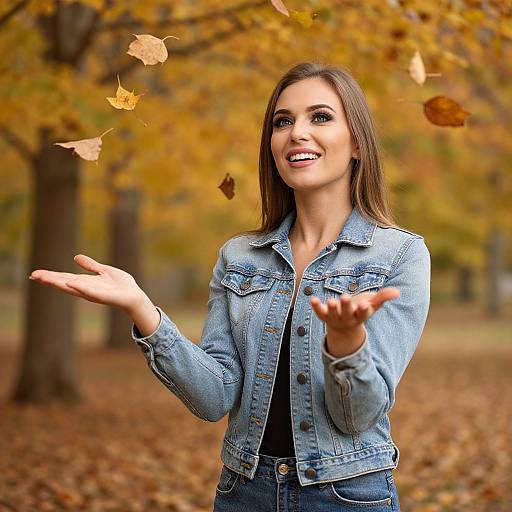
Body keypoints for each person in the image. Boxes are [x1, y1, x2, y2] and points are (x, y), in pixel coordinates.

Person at [29, 61, 431, 511]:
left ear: (356, 141)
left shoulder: (399, 255)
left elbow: (356, 415)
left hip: (347, 495)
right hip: (244, 493)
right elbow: (214, 396)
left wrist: (346, 342)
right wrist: (143, 310)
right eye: (283, 121)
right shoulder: (239, 257)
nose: (297, 132)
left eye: (320, 117)